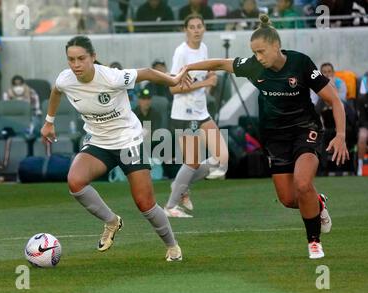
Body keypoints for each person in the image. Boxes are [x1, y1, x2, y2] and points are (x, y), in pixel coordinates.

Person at [178, 14, 349, 259]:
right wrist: (188, 68)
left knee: (302, 184)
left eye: (261, 52)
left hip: (305, 130)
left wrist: (341, 134)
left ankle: (314, 242)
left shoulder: (300, 64)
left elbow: (333, 100)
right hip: (275, 140)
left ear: (276, 47)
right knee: (290, 199)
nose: (257, 57)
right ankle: (318, 203)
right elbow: (219, 64)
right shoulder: (254, 67)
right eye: (254, 52)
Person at [40, 36, 191, 261]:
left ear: (93, 57)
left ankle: (172, 246)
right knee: (75, 181)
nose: (76, 64)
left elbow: (147, 72)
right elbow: (56, 91)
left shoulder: (112, 77)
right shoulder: (65, 79)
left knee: (145, 204)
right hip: (99, 142)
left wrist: (174, 80)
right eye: (71, 59)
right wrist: (49, 121)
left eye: (81, 58)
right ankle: (111, 221)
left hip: (128, 141)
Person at [164, 14, 229, 218]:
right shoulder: (181, 53)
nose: (196, 30)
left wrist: (211, 76)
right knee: (192, 162)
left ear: (204, 28)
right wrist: (204, 83)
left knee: (222, 157)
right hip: (184, 114)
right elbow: (173, 88)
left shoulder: (203, 49)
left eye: (199, 26)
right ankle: (171, 206)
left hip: (201, 112)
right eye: (192, 27)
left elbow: (207, 73)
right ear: (186, 30)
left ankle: (179, 186)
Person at [357, 73, 368, 176]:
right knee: (362, 137)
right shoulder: (362, 99)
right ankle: (360, 165)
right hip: (365, 126)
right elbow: (362, 119)